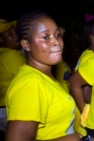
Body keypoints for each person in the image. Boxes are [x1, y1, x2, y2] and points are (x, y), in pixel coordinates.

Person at [4, 10, 81, 141]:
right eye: (46, 37)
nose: (56, 42)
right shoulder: (30, 84)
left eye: (57, 35)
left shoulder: (44, 77)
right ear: (26, 45)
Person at [0, 19, 27, 138]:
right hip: (10, 110)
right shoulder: (11, 56)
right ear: (0, 40)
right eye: (8, 34)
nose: (15, 36)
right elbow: (36, 76)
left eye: (14, 31)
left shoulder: (3, 54)